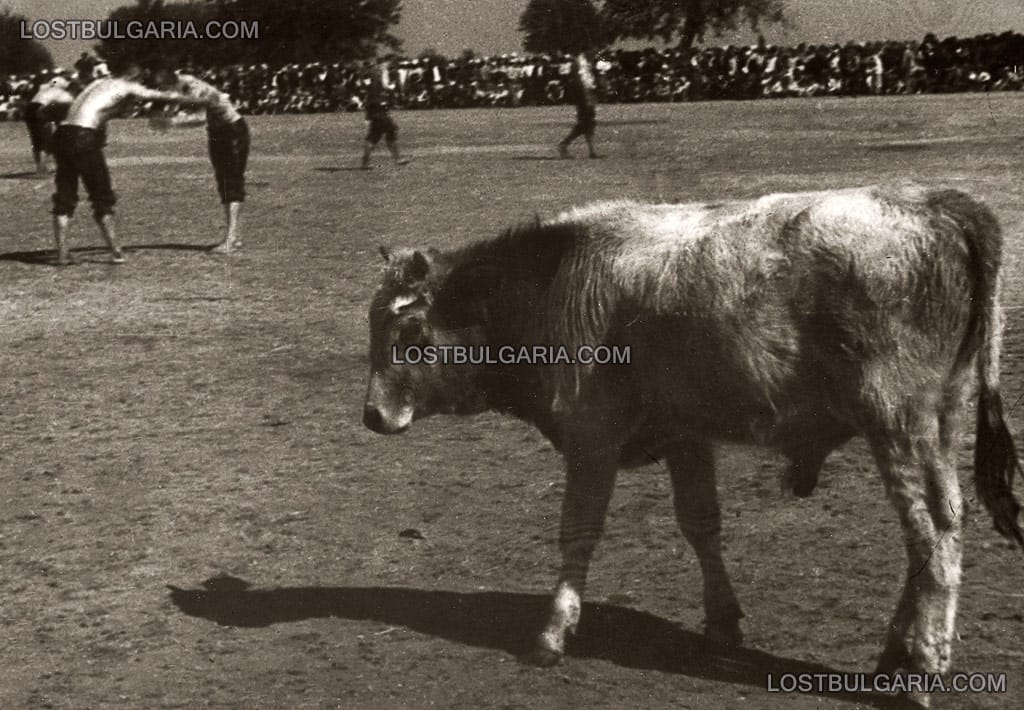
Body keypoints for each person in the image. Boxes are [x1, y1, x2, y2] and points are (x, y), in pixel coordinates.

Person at [51, 64, 208, 266]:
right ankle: (116, 251)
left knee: (65, 194)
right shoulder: (128, 87)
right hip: (84, 137)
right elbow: (162, 97)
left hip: (62, 135)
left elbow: (100, 112)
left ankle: (62, 253)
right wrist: (200, 100)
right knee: (101, 196)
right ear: (136, 77)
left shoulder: (99, 82)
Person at [152, 68, 249, 253]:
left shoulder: (192, 87)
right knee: (224, 182)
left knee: (231, 182)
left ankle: (230, 240)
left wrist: (171, 123)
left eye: (162, 87)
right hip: (217, 132)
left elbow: (200, 117)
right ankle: (233, 236)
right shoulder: (180, 85)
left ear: (170, 82)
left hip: (232, 131)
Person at [360, 57, 408, 169]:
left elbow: (365, 88)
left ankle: (365, 163)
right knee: (389, 131)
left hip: (372, 107)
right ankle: (397, 159)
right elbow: (387, 86)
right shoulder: (381, 72)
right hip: (380, 106)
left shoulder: (366, 74)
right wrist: (393, 88)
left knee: (374, 136)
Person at [25, 73, 78, 175]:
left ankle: (40, 166)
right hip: (40, 109)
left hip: (30, 109)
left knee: (36, 140)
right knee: (45, 141)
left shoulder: (45, 88)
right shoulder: (64, 95)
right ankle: (42, 169)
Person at [558, 52, 599, 159]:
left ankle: (592, 151)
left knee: (589, 123)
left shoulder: (584, 62)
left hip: (588, 95)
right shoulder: (577, 63)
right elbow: (578, 82)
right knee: (585, 124)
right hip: (584, 97)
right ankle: (564, 145)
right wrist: (584, 98)